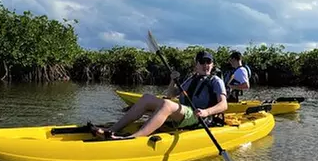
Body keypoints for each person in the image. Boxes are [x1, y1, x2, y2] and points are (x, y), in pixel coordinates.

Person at [91, 50, 228, 139]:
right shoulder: (192, 79)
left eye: (208, 62)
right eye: (202, 62)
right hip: (187, 113)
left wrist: (205, 112)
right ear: (196, 65)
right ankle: (111, 129)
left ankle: (134, 137)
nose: (206, 65)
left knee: (167, 105)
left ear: (212, 64)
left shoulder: (216, 80)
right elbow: (170, 95)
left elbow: (223, 105)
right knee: (146, 98)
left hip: (201, 118)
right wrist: (172, 81)